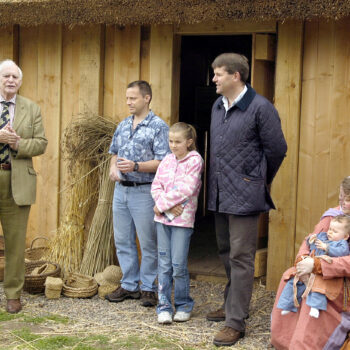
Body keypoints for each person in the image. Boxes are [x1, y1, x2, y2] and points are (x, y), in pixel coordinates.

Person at [206, 53, 287, 347]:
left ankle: (235, 322)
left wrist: (256, 179)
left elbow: (277, 149)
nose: (213, 79)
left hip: (245, 194)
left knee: (241, 257)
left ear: (236, 76)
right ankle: (232, 305)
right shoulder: (217, 105)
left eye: (218, 74)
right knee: (226, 250)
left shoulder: (261, 108)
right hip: (218, 192)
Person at [106, 80, 169, 307]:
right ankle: (130, 285)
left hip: (144, 192)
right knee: (123, 240)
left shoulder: (159, 126)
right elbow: (114, 152)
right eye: (127, 98)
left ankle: (149, 288)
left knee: (148, 242)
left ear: (147, 98)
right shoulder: (123, 125)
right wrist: (114, 168)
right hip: (120, 191)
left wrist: (136, 166)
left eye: (133, 98)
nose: (128, 102)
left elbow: (163, 161)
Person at [271, 176, 350, 350]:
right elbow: (309, 241)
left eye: (347, 199)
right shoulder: (333, 216)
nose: (343, 203)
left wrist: (318, 266)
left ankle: (308, 345)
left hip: (342, 280)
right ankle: (284, 341)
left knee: (319, 288)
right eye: (341, 197)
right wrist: (302, 262)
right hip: (317, 268)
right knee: (290, 276)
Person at [0, 59, 47, 313]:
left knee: (16, 243)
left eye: (15, 77)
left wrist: (17, 144)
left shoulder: (31, 108)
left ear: (20, 81)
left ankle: (13, 295)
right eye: (6, 76)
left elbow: (41, 143)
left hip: (17, 181)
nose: (10, 80)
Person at [151, 122, 204, 324]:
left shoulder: (195, 160)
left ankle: (183, 305)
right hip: (162, 219)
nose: (173, 145)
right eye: (170, 141)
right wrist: (164, 207)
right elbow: (156, 186)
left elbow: (187, 188)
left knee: (178, 264)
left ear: (189, 142)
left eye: (178, 141)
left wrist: (162, 204)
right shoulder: (166, 160)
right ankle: (163, 306)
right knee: (163, 264)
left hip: (182, 221)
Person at [277, 215, 350, 319]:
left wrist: (327, 247)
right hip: (311, 264)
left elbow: (343, 252)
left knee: (318, 287)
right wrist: (311, 240)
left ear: (346, 236)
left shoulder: (341, 244)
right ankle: (288, 305)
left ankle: (315, 307)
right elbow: (312, 241)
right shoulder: (324, 236)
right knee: (294, 281)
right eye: (330, 229)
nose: (330, 232)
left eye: (334, 231)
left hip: (323, 269)